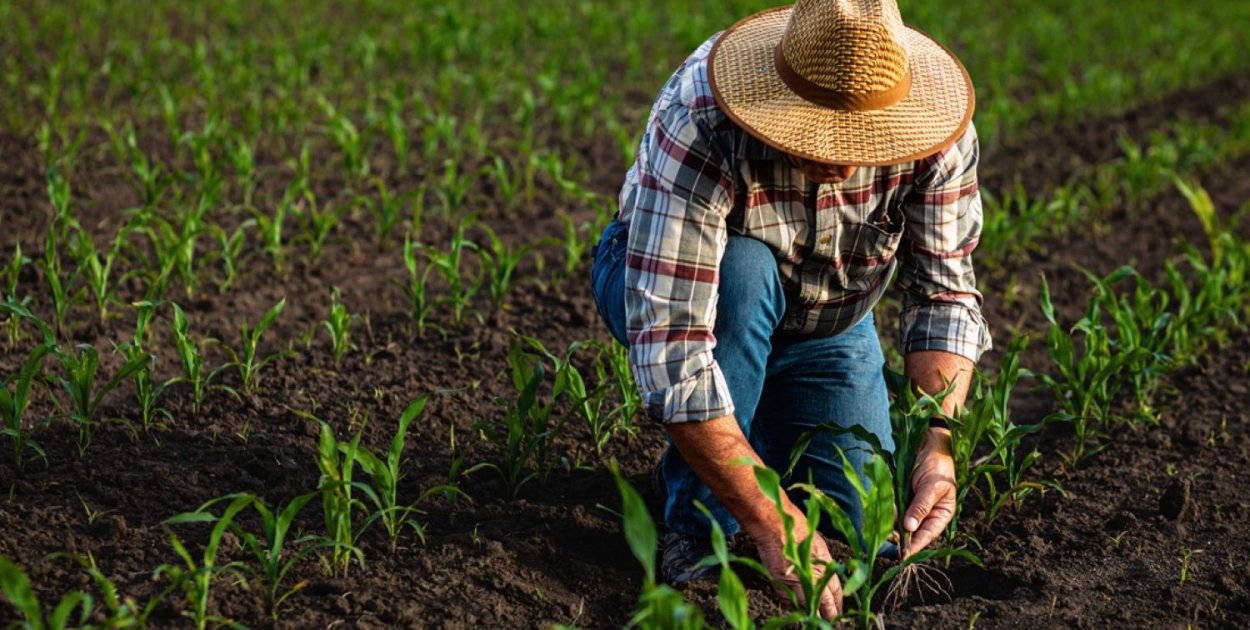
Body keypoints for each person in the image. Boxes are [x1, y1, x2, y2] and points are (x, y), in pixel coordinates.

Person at [590, 0, 990, 618]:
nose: (842, 160)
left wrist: (939, 446)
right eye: (819, 131)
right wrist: (771, 523)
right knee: (745, 274)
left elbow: (943, 298)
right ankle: (697, 527)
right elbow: (674, 352)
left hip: (830, 318)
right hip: (681, 288)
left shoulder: (936, 132)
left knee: (858, 531)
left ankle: (740, 447)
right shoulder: (704, 119)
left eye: (863, 138)